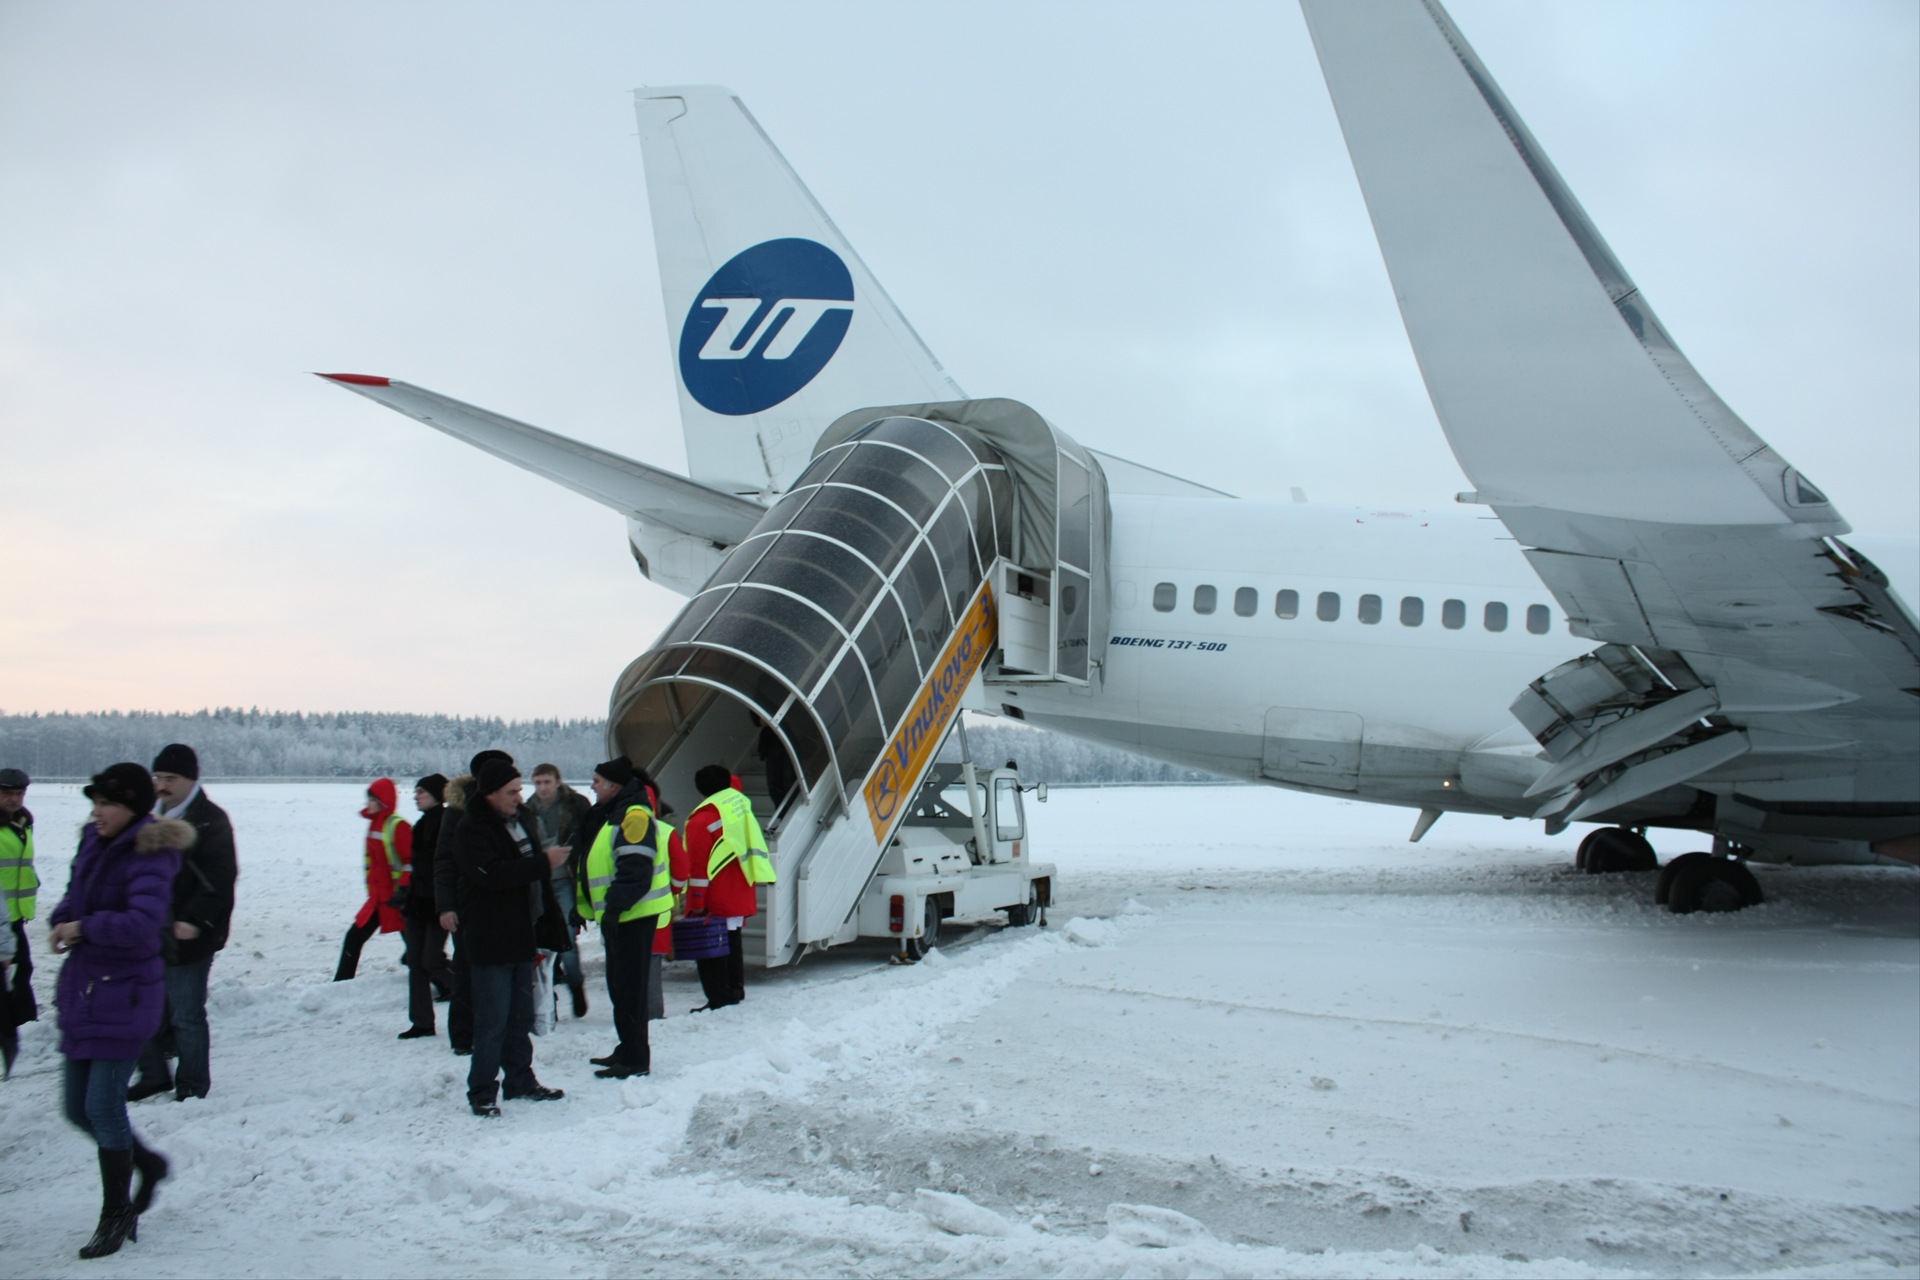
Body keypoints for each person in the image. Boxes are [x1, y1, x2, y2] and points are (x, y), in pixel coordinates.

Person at [50, 763, 195, 1258]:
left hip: (127, 994)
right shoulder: (93, 841)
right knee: (75, 1108)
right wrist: (61, 920)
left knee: (101, 1107)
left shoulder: (151, 851)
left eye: (107, 804)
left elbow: (142, 923)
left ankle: (117, 1214)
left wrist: (84, 928)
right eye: (94, 804)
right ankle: (147, 1163)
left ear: (131, 806)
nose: (97, 813)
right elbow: (74, 895)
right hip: (86, 990)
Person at [450, 758, 569, 1116]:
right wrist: (544, 863)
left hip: (521, 934)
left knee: (519, 1018)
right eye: (512, 791)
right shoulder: (472, 828)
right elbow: (493, 875)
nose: (520, 796)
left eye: (520, 789)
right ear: (490, 794)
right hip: (489, 937)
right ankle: (483, 1091)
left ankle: (520, 1081)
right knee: (492, 1021)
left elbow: (530, 881)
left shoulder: (519, 821)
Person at [130, 744, 238, 1102]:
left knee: (186, 1015)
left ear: (191, 779)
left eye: (170, 778)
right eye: (157, 777)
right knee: (141, 1005)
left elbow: (220, 879)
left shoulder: (211, 819)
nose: (161, 785)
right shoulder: (148, 816)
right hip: (149, 930)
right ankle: (154, 1075)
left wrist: (194, 919)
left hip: (192, 934)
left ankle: (192, 1086)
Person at [577, 763, 677, 1079]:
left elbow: (636, 871)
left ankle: (635, 1059)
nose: (592, 786)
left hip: (633, 917)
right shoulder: (616, 814)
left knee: (630, 990)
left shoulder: (634, 816)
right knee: (620, 988)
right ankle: (628, 1048)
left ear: (614, 785)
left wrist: (615, 909)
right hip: (623, 916)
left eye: (597, 781)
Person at [436, 750, 513, 1056]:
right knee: (468, 968)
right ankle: (463, 1035)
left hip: (501, 902)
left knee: (498, 969)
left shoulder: (507, 809)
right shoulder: (458, 812)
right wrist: (446, 906)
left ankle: (497, 1028)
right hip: (467, 903)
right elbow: (444, 861)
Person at [683, 764, 776, 1012]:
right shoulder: (739, 809)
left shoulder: (701, 820)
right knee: (732, 941)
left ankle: (719, 997)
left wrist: (697, 903)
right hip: (740, 887)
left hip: (716, 894)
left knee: (711, 948)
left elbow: (698, 867)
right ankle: (735, 988)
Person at [527, 763, 591, 1019]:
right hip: (539, 880)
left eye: (546, 782)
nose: (542, 788)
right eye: (538, 783)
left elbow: (587, 838)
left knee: (566, 939)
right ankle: (548, 995)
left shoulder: (576, 805)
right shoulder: (527, 810)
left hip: (566, 879)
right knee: (540, 942)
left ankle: (575, 984)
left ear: (557, 782)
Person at [334, 779, 411, 982]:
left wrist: (403, 889)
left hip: (398, 900)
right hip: (379, 899)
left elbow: (411, 862)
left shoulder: (398, 826)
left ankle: (448, 982)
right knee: (354, 938)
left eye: (372, 799)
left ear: (383, 801)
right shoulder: (375, 825)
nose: (368, 803)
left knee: (419, 951)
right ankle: (341, 984)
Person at [398, 774, 454, 1039]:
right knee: (416, 963)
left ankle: (470, 991)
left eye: (421, 791)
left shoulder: (446, 822)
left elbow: (444, 867)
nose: (416, 795)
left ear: (436, 794)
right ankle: (422, 1022)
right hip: (417, 904)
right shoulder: (420, 825)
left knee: (431, 959)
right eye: (416, 791)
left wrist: (446, 902)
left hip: (437, 904)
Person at [0, 766, 37, 1077]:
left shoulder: (24, 822)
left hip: (15, 914)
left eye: (19, 793)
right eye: (7, 793)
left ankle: (20, 1027)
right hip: (2, 917)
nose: (14, 798)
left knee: (21, 969)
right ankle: (14, 1029)